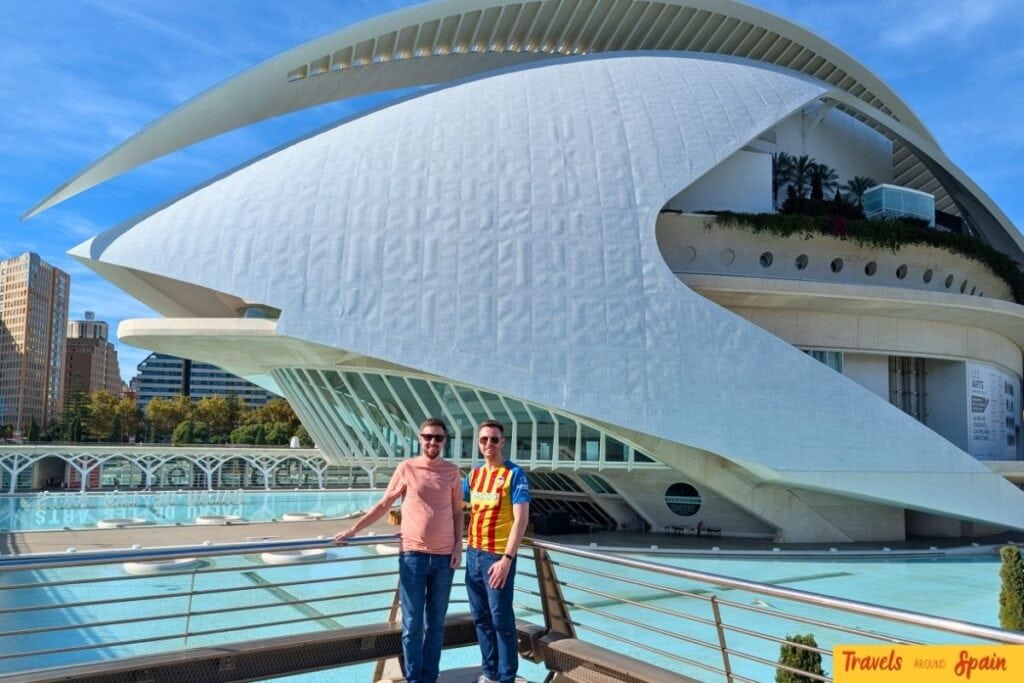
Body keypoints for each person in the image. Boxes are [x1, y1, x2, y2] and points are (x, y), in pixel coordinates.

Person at [334, 418, 462, 683]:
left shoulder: (452, 471)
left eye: (438, 437)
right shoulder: (407, 468)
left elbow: (457, 512)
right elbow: (384, 504)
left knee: (436, 625)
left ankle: (430, 678)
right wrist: (353, 531)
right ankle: (415, 679)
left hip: (443, 559)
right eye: (428, 436)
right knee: (413, 625)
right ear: (419, 438)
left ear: (444, 441)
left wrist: (458, 546)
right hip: (413, 556)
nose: (432, 442)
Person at [464, 420, 531, 683]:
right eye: (484, 440)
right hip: (473, 555)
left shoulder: (515, 475)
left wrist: (507, 559)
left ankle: (507, 678)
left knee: (502, 621)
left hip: (497, 558)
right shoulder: (474, 476)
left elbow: (521, 520)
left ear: (502, 442)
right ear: (478, 444)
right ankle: (490, 674)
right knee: (480, 618)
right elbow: (450, 502)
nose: (488, 444)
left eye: (494, 439)